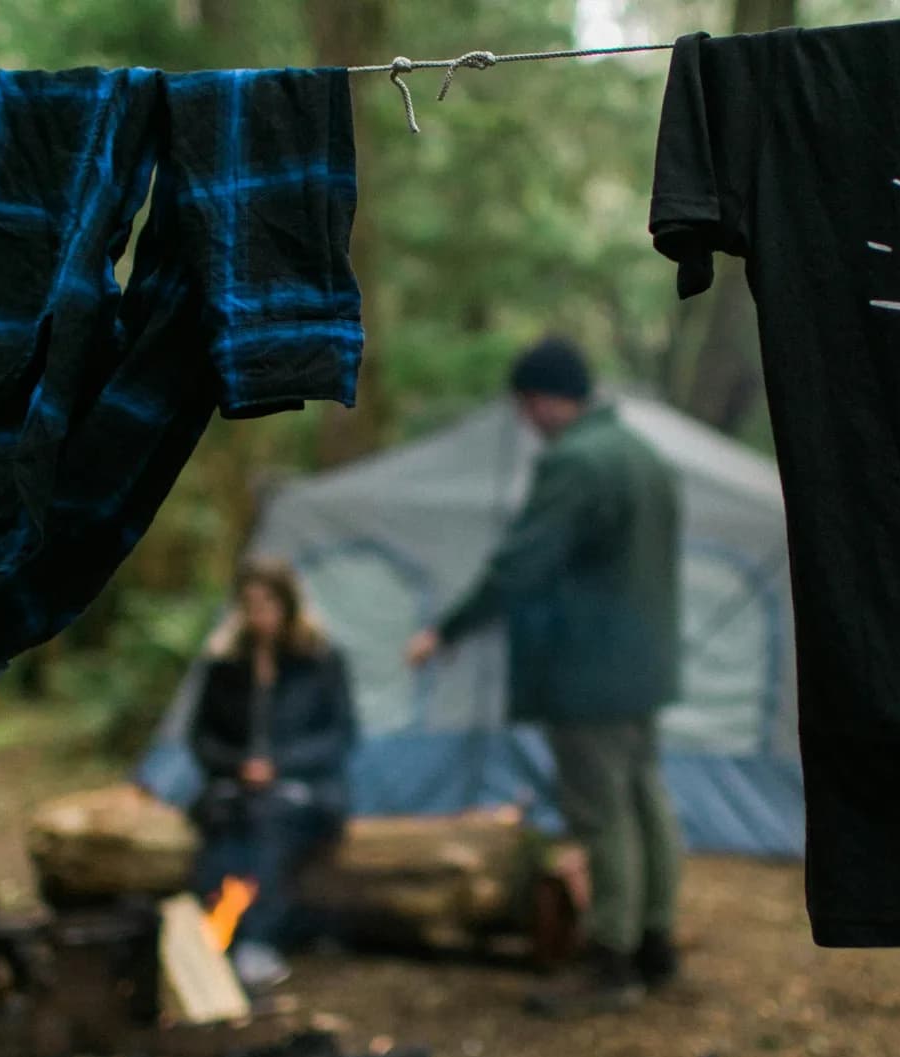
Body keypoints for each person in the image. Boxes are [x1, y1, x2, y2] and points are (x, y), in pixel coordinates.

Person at [406, 337, 685, 1018]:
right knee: (645, 797)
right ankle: (655, 942)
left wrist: (448, 628)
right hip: (642, 667)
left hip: (588, 673)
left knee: (602, 814)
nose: (527, 421)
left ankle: (610, 961)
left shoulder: (576, 463)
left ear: (543, 398)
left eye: (527, 405)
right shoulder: (644, 457)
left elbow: (522, 564)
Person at [188, 558, 357, 991]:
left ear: (287, 606)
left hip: (304, 790)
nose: (258, 614)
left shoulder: (320, 660)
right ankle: (215, 939)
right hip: (235, 789)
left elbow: (339, 737)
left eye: (267, 603)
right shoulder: (225, 664)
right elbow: (202, 738)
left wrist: (280, 764)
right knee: (224, 823)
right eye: (250, 604)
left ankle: (257, 941)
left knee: (267, 823)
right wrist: (237, 766)